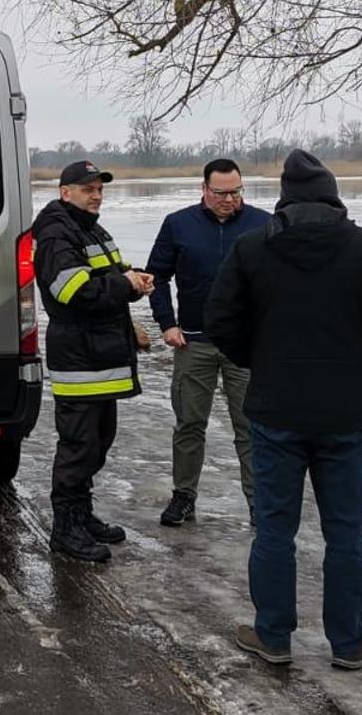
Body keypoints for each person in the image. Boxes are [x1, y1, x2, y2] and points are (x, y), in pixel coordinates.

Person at [205, 150, 362, 669]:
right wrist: (360, 363)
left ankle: (273, 635)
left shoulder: (253, 247)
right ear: (332, 196)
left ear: (284, 198)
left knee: (275, 527)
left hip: (275, 408)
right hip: (344, 411)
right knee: (344, 531)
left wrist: (260, 358)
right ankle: (348, 643)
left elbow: (220, 321)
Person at [33, 160, 156, 563]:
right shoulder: (55, 232)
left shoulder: (90, 227)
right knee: (79, 446)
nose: (96, 195)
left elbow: (108, 275)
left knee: (98, 443)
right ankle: (65, 529)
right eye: (87, 189)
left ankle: (82, 516)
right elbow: (75, 290)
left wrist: (133, 279)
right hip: (80, 358)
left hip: (101, 357)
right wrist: (125, 284)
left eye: (99, 188)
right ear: (64, 192)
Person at [146, 158, 271, 525]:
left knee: (250, 427)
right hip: (193, 343)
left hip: (245, 347)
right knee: (189, 423)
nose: (229, 200)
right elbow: (156, 276)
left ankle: (258, 502)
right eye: (221, 193)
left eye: (236, 192)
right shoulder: (178, 224)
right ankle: (184, 496)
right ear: (204, 189)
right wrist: (167, 324)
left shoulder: (263, 224)